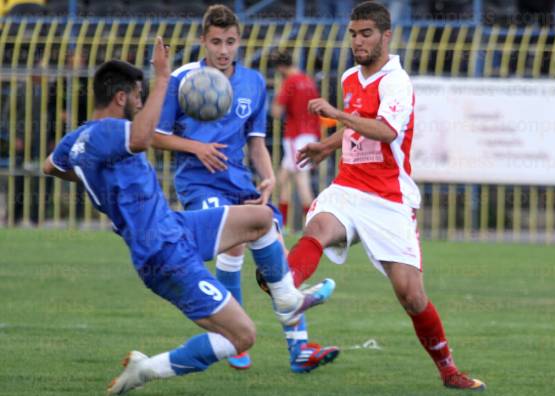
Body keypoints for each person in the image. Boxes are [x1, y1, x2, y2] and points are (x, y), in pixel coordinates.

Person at [42, 37, 334, 395]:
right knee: (242, 336)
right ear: (120, 98)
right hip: (163, 253)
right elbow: (142, 137)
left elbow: (50, 166)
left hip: (176, 227)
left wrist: (96, 179)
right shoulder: (111, 131)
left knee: (260, 218)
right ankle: (145, 369)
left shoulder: (76, 140)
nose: (141, 101)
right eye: (137, 95)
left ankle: (286, 297)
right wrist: (163, 77)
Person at [285, 2, 486, 391]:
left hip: (388, 199)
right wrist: (329, 145)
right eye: (353, 34)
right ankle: (285, 289)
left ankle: (448, 371)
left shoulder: (397, 81)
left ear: (385, 35)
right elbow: (356, 130)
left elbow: (385, 131)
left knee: (411, 295)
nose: (358, 42)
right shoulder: (349, 77)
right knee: (317, 228)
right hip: (348, 187)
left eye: (366, 34)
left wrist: (335, 115)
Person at [152, 4, 339, 372]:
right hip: (197, 181)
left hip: (239, 181)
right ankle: (234, 340)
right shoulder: (183, 78)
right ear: (203, 41)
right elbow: (156, 136)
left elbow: (255, 142)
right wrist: (197, 148)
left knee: (274, 245)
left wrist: (268, 177)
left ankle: (299, 350)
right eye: (216, 42)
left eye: (231, 42)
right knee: (234, 241)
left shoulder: (253, 83)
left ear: (240, 42)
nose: (223, 50)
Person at [270, 50, 320, 230]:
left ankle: (313, 225)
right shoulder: (308, 80)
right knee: (284, 180)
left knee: (300, 180)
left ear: (280, 67)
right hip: (311, 134)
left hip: (295, 135)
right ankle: (281, 225)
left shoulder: (290, 82)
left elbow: (276, 111)